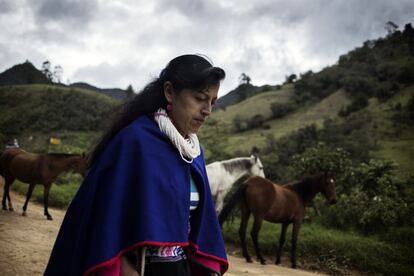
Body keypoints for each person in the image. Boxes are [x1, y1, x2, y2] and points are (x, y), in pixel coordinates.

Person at [44, 54, 228, 276]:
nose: (207, 110)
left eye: (213, 102)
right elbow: (105, 216)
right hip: (140, 268)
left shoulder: (194, 153)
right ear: (170, 92)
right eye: (200, 98)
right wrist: (125, 268)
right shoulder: (134, 142)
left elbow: (200, 226)